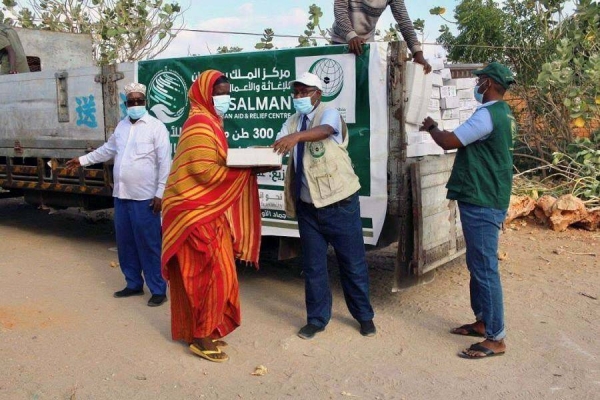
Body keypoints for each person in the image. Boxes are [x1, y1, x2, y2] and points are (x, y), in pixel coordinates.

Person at [161, 70, 265, 363]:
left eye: (227, 92)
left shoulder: (212, 124)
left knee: (222, 273)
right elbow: (203, 172)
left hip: (206, 211)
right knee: (207, 274)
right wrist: (246, 171)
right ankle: (200, 336)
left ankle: (208, 327)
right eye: (219, 93)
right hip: (191, 213)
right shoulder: (198, 125)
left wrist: (248, 166)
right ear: (205, 94)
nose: (225, 98)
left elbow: (215, 164)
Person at [419, 62, 517, 359]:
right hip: (486, 195)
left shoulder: (488, 114)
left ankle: (496, 338)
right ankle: (482, 321)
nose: (477, 85)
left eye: (479, 81)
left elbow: (450, 142)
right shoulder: (504, 114)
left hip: (483, 199)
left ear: (488, 83)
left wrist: (432, 127)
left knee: (485, 268)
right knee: (477, 265)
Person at [273, 72, 376, 340]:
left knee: (352, 264)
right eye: (295, 93)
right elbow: (277, 143)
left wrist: (295, 138)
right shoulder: (293, 121)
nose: (299, 97)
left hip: (339, 203)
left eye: (304, 92)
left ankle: (364, 317)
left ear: (318, 93)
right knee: (314, 267)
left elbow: (325, 132)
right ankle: (317, 320)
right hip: (308, 209)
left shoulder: (329, 114)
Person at [66, 83, 170, 307]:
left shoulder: (156, 127)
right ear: (126, 104)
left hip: (145, 198)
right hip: (121, 196)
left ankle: (158, 289)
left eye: (138, 101)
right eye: (131, 102)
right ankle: (133, 284)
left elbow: (165, 163)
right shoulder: (122, 127)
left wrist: (160, 193)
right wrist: (82, 160)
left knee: (149, 245)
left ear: (145, 103)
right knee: (126, 243)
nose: (135, 105)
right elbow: (107, 150)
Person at [330, 0, 431, 72]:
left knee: (364, 86)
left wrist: (417, 52)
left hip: (366, 43)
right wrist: (351, 36)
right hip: (341, 39)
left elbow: (403, 21)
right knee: (341, 83)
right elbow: (340, 11)